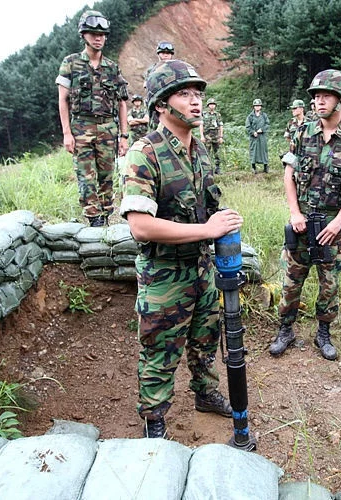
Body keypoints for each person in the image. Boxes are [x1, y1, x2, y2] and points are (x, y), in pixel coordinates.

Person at [120, 59, 242, 439]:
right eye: (184, 94)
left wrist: (219, 219)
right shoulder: (146, 152)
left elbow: (202, 204)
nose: (195, 102)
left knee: (206, 338)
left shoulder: (199, 150)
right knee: (160, 350)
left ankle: (205, 394)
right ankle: (154, 420)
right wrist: (206, 228)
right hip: (164, 275)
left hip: (201, 268)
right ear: (161, 104)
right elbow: (140, 226)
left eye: (197, 94)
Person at [269, 70, 341, 361]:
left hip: (332, 223)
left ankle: (323, 332)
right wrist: (294, 212)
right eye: (315, 96)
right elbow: (288, 176)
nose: (318, 101)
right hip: (301, 220)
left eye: (325, 95)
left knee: (330, 281)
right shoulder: (301, 133)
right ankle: (285, 329)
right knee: (291, 278)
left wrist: (339, 220)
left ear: (340, 99)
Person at [56, 10, 129, 227]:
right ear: (84, 35)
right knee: (86, 176)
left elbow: (122, 102)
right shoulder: (71, 63)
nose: (98, 38)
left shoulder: (112, 67)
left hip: (108, 127)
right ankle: (94, 218)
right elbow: (63, 100)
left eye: (102, 34)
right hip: (81, 127)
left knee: (107, 174)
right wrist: (67, 133)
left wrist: (124, 136)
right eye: (93, 34)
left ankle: (106, 213)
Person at [245, 98, 270, 173]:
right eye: (256, 106)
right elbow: (248, 126)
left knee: (263, 151)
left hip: (262, 136)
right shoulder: (250, 116)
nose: (257, 107)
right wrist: (253, 132)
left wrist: (262, 129)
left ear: (261, 107)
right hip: (254, 137)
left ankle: (266, 167)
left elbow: (267, 124)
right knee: (253, 151)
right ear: (253, 107)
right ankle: (253, 167)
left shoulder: (264, 115)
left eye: (259, 106)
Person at [200, 97, 224, 174]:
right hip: (207, 136)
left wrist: (221, 137)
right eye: (210, 104)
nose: (212, 106)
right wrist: (202, 136)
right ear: (208, 105)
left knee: (217, 152)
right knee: (207, 153)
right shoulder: (204, 114)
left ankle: (218, 168)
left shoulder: (218, 115)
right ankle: (207, 169)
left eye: (213, 104)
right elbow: (201, 125)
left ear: (215, 105)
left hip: (216, 136)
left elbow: (220, 126)